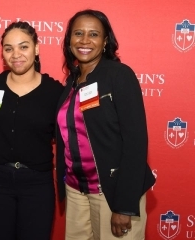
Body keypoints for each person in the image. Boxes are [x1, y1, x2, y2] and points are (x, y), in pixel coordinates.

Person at [55, 9, 156, 240]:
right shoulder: (71, 82)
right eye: (78, 33)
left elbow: (136, 142)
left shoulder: (119, 76)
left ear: (105, 41)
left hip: (111, 191)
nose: (84, 40)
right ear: (69, 39)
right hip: (76, 190)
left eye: (94, 34)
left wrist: (124, 206)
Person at [0, 21, 64, 240]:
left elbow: (73, 134)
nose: (16, 54)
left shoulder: (54, 92)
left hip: (37, 184)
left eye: (24, 46)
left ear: (37, 48)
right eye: (9, 48)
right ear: (2, 53)